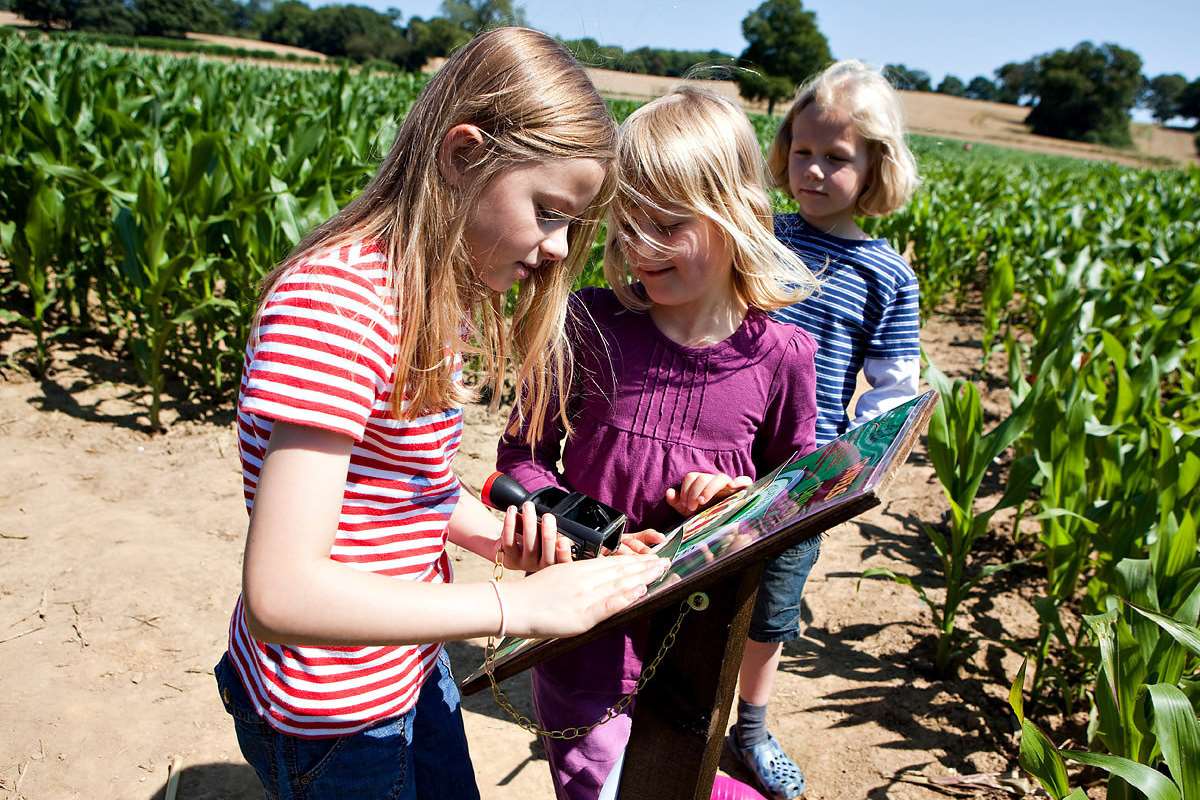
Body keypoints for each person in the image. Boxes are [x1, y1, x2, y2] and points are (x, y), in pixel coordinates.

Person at [212, 28, 670, 800]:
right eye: (549, 212)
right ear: (462, 155)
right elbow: (282, 594)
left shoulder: (425, 297)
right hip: (333, 714)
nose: (559, 250)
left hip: (406, 665)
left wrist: (511, 543)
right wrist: (513, 607)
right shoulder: (340, 308)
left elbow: (402, 489)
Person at [497, 86, 821, 800]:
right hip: (585, 628)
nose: (640, 248)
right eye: (627, 224)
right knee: (603, 784)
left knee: (679, 772)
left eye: (667, 224)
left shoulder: (783, 356)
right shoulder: (587, 324)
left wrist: (745, 499)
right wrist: (588, 534)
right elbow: (520, 459)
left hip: (701, 637)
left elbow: (798, 494)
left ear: (735, 214)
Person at [726, 59, 922, 799]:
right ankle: (664, 697)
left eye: (836, 158)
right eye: (802, 151)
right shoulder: (758, 234)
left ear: (876, 167)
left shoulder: (885, 276)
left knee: (771, 609)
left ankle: (749, 727)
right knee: (689, 582)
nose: (812, 170)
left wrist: (852, 465)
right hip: (720, 448)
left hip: (803, 469)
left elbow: (891, 390)